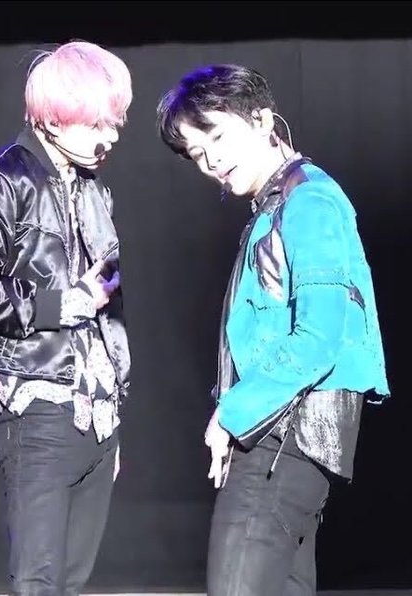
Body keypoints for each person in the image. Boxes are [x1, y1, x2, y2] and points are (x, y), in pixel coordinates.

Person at [156, 64, 390, 596]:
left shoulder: (310, 201)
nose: (211, 161)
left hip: (286, 437)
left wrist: (231, 413)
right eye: (197, 153)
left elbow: (319, 337)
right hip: (279, 434)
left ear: (262, 120)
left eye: (217, 137)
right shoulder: (280, 205)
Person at [0, 40, 132, 596]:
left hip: (97, 417)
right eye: (96, 123)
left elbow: (109, 310)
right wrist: (59, 304)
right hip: (38, 409)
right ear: (51, 118)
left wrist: (112, 410)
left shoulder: (94, 190)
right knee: (39, 582)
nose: (110, 137)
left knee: (70, 582)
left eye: (115, 123)